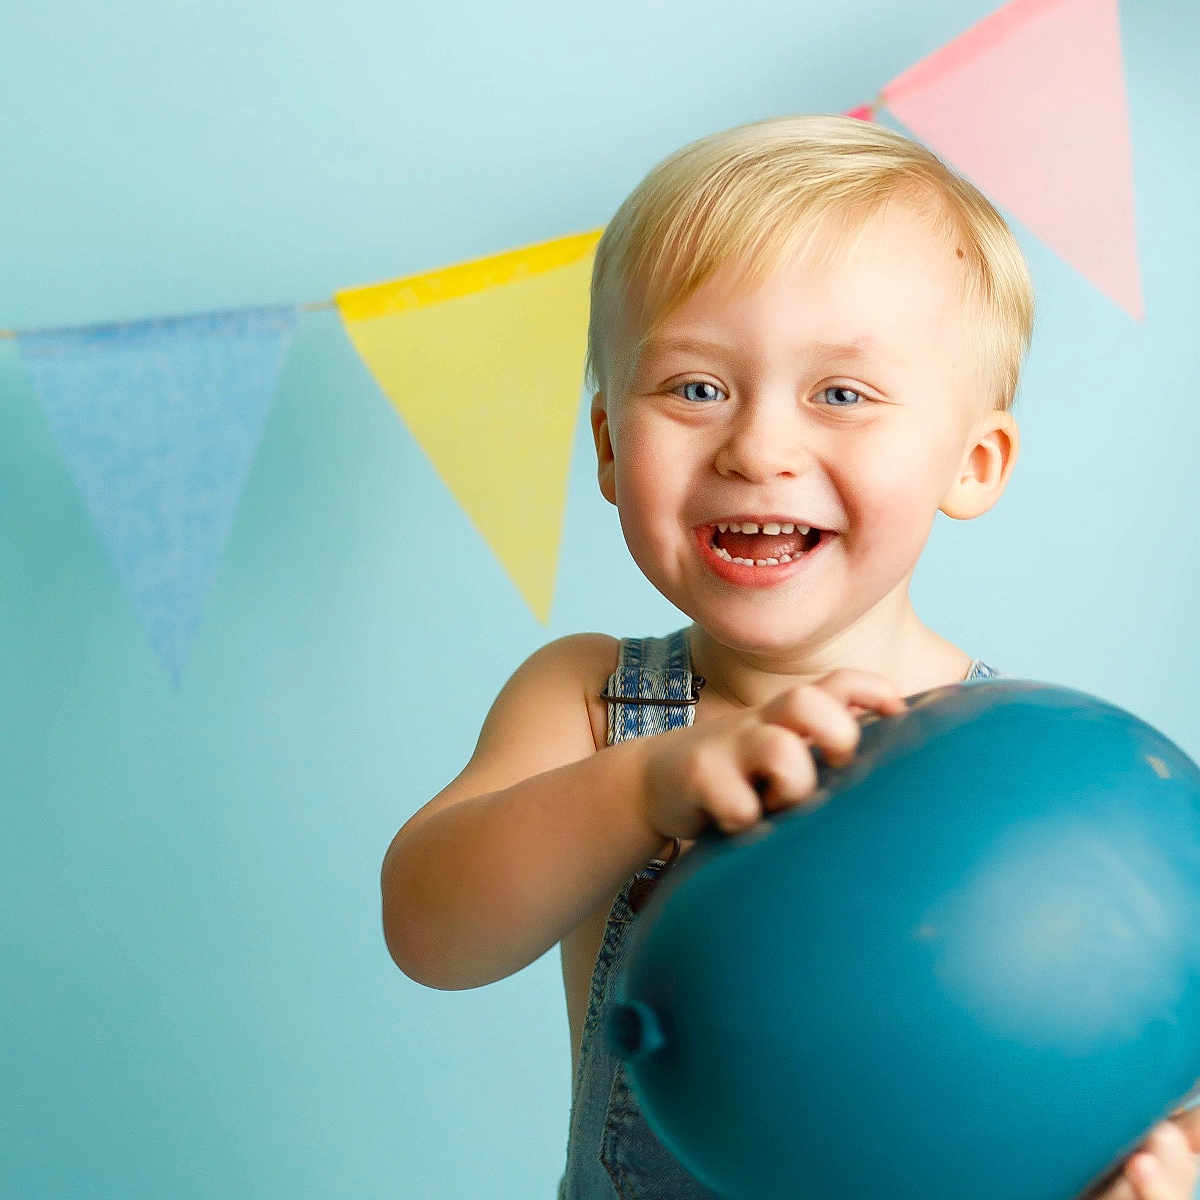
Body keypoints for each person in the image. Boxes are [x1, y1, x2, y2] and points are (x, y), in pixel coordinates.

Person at [380, 114, 1200, 1199]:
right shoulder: (595, 703)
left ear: (975, 460)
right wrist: (644, 787)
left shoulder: (1037, 777)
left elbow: (1141, 1053)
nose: (758, 448)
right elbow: (434, 936)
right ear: (612, 451)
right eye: (696, 388)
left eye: (842, 394)